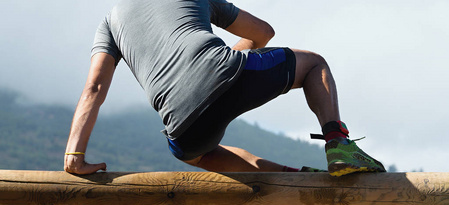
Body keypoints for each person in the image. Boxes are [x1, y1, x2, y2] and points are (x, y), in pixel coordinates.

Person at [64, 0, 386, 178]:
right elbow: (263, 32)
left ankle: (295, 178)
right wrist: (221, 63)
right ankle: (338, 144)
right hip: (224, 71)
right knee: (314, 63)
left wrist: (74, 156)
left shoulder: (109, 22)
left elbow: (94, 87)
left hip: (180, 123)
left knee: (197, 154)